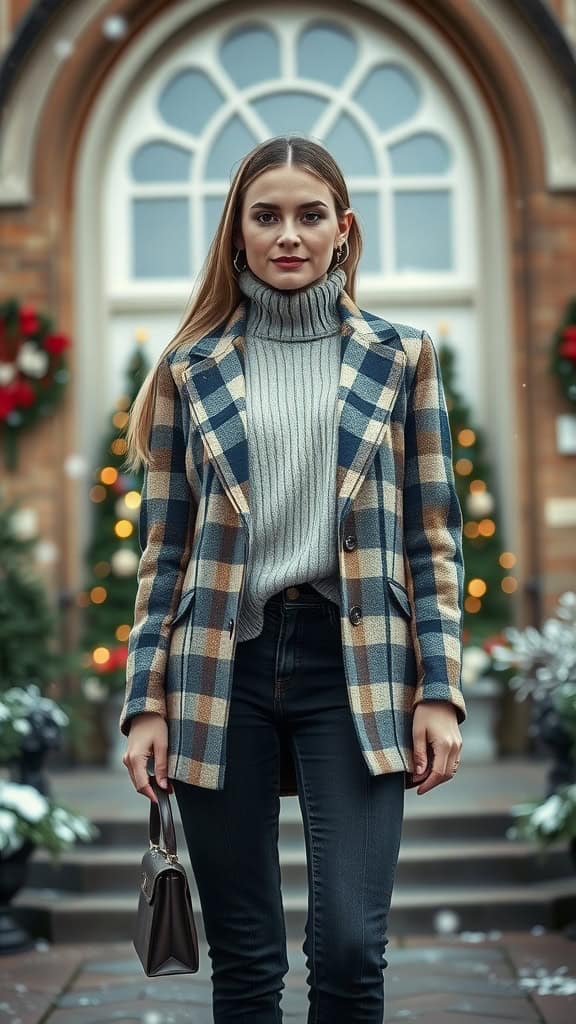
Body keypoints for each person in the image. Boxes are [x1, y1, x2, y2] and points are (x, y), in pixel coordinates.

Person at [120, 135, 466, 1024]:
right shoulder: (187, 372)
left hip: (355, 663)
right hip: (218, 670)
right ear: (236, 235)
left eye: (310, 216)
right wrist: (145, 701)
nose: (288, 235)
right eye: (265, 215)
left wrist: (442, 691)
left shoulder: (403, 358)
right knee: (244, 961)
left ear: (342, 230)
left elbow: (432, 538)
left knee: (351, 949)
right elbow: (165, 553)